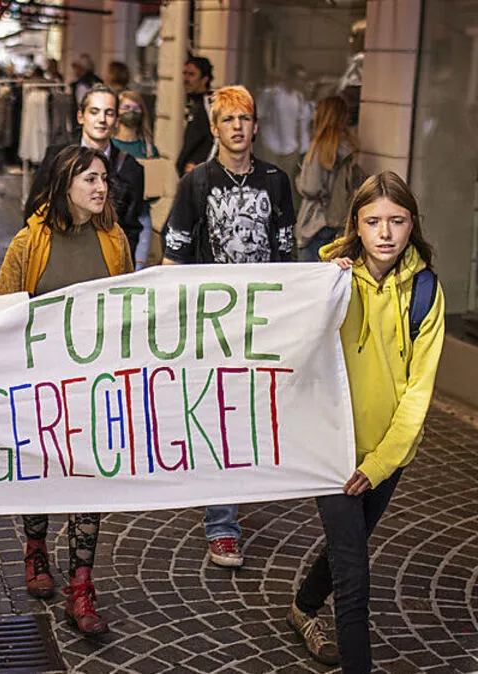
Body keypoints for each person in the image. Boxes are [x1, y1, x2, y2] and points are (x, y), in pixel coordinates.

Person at [291, 171, 444, 672]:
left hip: (387, 454)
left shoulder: (426, 290)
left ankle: (303, 606)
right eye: (373, 221)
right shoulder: (329, 279)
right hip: (330, 446)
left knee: (349, 544)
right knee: (354, 573)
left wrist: (380, 463)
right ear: (355, 225)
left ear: (412, 223)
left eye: (396, 221)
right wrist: (324, 283)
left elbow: (418, 392)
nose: (385, 233)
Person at [0, 146, 132, 636]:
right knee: (41, 473)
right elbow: (2, 309)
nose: (100, 187)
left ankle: (81, 587)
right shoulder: (29, 241)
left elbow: (128, 307)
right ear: (64, 184)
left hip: (94, 386)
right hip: (40, 383)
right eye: (90, 179)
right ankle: (35, 550)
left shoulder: (114, 239)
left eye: (104, 179)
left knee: (88, 482)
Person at [162, 85, 295, 569]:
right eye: (228, 120)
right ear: (215, 129)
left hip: (261, 322)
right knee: (220, 417)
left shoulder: (277, 182)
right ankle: (222, 526)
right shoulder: (196, 184)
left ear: (255, 127)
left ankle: (234, 494)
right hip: (212, 323)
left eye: (244, 119)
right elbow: (173, 258)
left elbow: (287, 258)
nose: (237, 127)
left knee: (248, 418)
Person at [26, 85, 146, 259]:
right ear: (81, 116)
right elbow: (35, 209)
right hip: (56, 255)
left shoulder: (130, 168)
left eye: (109, 113)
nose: (101, 119)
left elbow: (131, 228)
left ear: (116, 120)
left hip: (104, 260)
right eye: (94, 112)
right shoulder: (57, 157)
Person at [296, 95, 359, 261]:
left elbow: (310, 187)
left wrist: (299, 180)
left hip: (315, 222)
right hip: (336, 220)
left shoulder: (320, 148)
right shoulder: (348, 147)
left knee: (309, 273)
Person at [112, 89, 161, 268]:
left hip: (142, 215)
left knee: (137, 267)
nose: (131, 112)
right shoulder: (110, 146)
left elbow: (156, 187)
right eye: (126, 107)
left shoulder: (148, 149)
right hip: (116, 215)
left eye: (136, 108)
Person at [256, 65, 312, 207]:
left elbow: (300, 123)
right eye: (299, 78)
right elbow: (259, 116)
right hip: (271, 146)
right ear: (290, 78)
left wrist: (300, 147)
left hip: (290, 148)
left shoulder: (298, 98)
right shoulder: (273, 94)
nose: (301, 82)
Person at [176, 56, 215, 177]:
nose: (186, 79)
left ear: (204, 79)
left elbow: (217, 140)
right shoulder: (192, 103)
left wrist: (202, 167)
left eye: (192, 74)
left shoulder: (210, 105)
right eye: (185, 73)